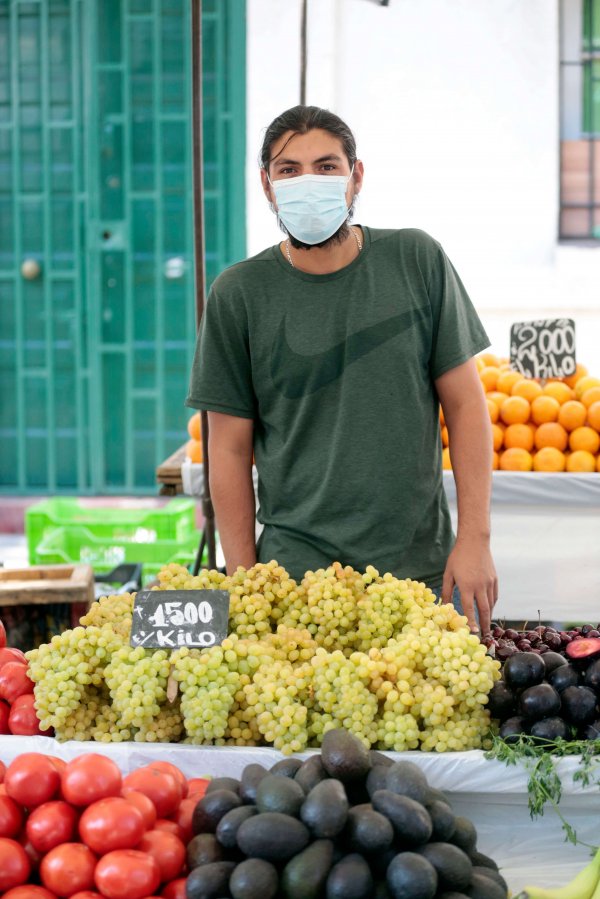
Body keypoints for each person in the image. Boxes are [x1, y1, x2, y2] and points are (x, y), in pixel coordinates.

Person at [186, 105, 498, 634]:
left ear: (356, 177)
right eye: (289, 169)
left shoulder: (417, 260)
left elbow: (467, 407)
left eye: (327, 166)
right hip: (294, 578)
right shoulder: (238, 293)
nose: (309, 180)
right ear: (267, 184)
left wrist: (475, 541)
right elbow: (229, 447)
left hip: (417, 570)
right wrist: (243, 578)